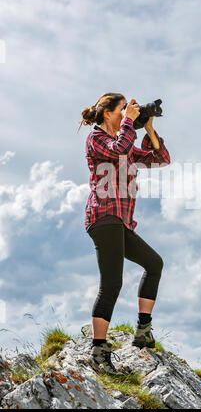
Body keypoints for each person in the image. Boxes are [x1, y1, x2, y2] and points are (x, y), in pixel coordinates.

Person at [78, 93, 171, 374]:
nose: (126, 113)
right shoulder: (97, 139)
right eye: (122, 109)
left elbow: (161, 159)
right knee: (112, 283)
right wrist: (130, 122)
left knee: (154, 264)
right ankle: (98, 349)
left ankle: (143, 330)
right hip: (104, 217)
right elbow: (118, 148)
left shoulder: (127, 143)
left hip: (121, 221)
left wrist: (150, 128)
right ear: (107, 113)